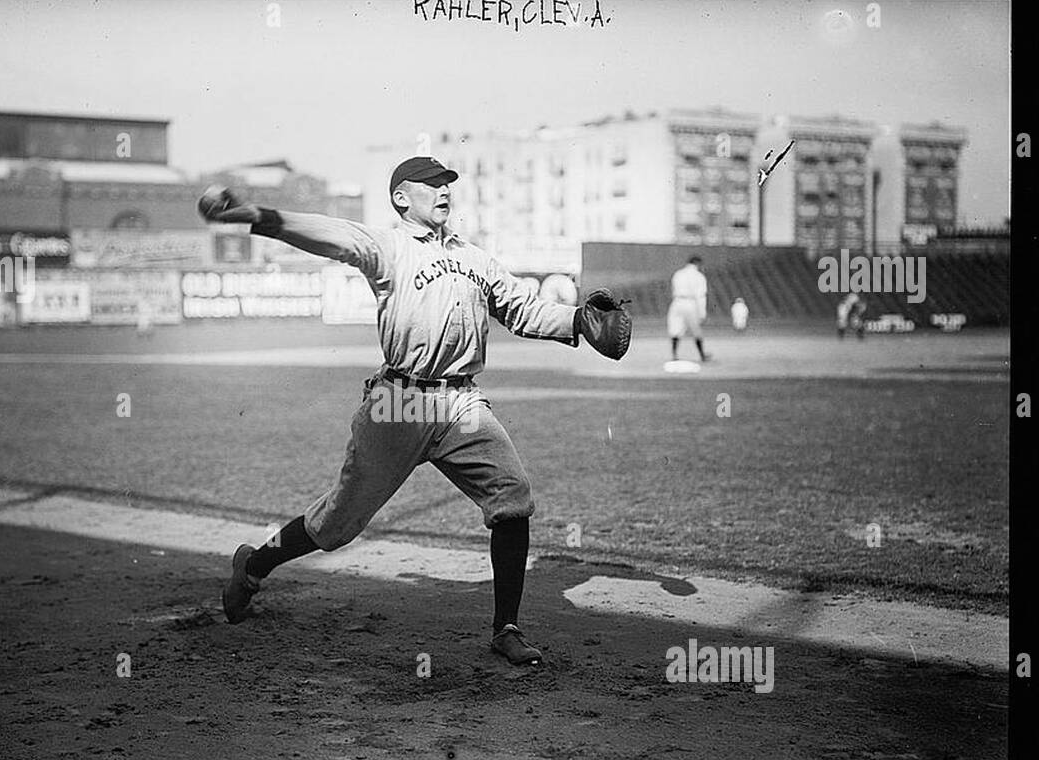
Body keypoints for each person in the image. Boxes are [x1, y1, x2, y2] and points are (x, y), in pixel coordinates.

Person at [197, 156, 625, 665]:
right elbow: (327, 233)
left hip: (461, 401)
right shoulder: (388, 247)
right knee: (338, 522)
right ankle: (255, 565)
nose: (444, 190)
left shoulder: (475, 258)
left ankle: (506, 629)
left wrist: (577, 321)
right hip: (398, 400)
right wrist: (256, 216)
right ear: (402, 196)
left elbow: (524, 309)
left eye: (448, 184)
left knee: (512, 497)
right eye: (432, 184)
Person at [668, 255, 709, 361]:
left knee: (675, 328)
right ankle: (702, 355)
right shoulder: (699, 276)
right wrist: (702, 313)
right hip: (691, 302)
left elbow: (673, 290)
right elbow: (700, 296)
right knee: (696, 329)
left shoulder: (678, 274)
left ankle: (674, 354)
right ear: (697, 263)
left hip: (677, 302)